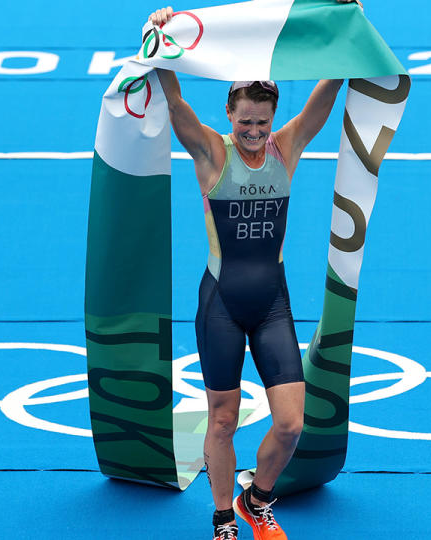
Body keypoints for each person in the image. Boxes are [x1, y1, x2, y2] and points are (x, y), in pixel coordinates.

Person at [147, 7, 345, 540]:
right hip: (222, 306)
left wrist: (349, 38)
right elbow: (174, 103)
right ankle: (220, 518)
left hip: (272, 305)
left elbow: (324, 99)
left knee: (291, 424)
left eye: (262, 121)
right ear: (230, 115)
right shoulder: (212, 153)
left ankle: (254, 500)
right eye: (245, 121)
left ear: (272, 116)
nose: (255, 131)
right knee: (222, 420)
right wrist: (162, 41)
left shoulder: (287, 148)